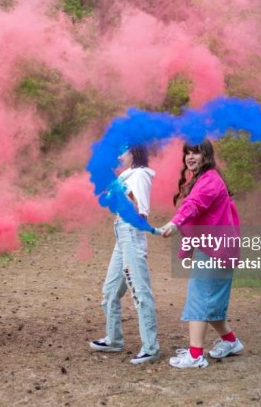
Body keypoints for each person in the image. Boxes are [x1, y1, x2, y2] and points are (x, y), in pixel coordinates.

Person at [158, 139, 244, 368]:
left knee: (199, 300)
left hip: (217, 250)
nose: (190, 156)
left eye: (196, 152)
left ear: (206, 155)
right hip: (218, 248)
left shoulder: (210, 181)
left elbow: (193, 205)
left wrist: (175, 223)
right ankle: (231, 342)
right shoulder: (205, 179)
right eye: (187, 152)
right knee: (211, 302)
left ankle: (196, 355)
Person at [89, 145, 161, 364]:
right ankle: (114, 339)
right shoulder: (128, 175)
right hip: (121, 233)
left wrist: (149, 228)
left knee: (139, 291)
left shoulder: (139, 175)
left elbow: (141, 209)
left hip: (130, 233)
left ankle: (151, 347)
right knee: (110, 291)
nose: (119, 156)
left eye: (123, 151)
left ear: (134, 152)